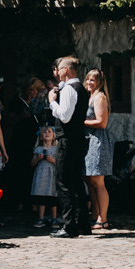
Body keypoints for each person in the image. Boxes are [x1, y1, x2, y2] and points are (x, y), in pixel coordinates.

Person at [47, 56, 89, 237]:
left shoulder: (70, 89)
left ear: (64, 70)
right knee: (76, 181)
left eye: (59, 68)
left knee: (63, 181)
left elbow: (64, 116)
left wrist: (51, 102)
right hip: (78, 139)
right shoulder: (80, 88)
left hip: (68, 140)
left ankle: (69, 225)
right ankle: (82, 224)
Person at [83, 67, 115, 232]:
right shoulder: (89, 97)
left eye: (92, 80)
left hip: (97, 141)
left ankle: (103, 219)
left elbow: (102, 122)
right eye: (88, 79)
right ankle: (95, 215)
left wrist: (80, 122)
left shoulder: (100, 97)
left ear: (99, 82)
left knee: (98, 181)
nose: (89, 82)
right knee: (90, 180)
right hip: (88, 140)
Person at [31, 124, 62, 231]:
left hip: (52, 173)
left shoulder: (56, 149)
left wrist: (52, 160)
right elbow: (32, 164)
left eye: (49, 132)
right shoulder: (38, 149)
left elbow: (59, 163)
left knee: (53, 195)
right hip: (41, 173)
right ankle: (41, 217)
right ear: (40, 136)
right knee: (41, 195)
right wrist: (38, 159)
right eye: (44, 132)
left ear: (54, 136)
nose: (47, 134)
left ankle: (54, 217)